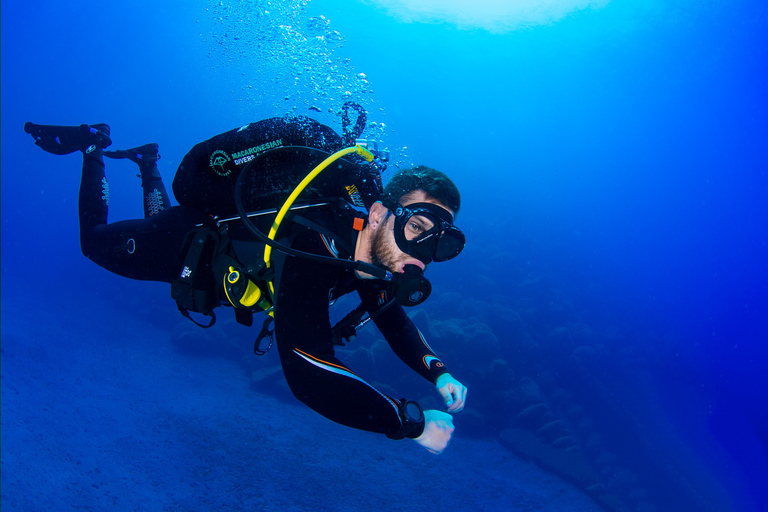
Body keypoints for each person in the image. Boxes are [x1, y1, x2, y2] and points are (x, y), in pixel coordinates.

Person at [24, 114, 468, 454]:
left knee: (143, 220)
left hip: (219, 270)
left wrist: (438, 370)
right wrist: (411, 423)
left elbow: (391, 317)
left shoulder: (374, 257)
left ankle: (146, 162)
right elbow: (309, 376)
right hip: (188, 244)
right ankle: (92, 148)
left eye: (442, 244)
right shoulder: (313, 243)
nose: (423, 253)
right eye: (418, 227)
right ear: (378, 215)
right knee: (94, 245)